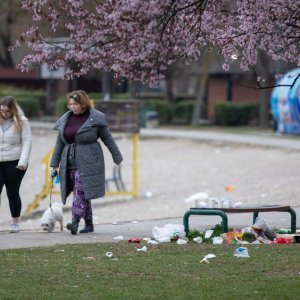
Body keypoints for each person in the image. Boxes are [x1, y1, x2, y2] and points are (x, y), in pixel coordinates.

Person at [50, 90, 123, 235]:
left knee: (79, 191)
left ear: (83, 104)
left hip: (89, 162)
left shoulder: (95, 118)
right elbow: (59, 142)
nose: (73, 107)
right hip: (69, 162)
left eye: (75, 104)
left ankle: (75, 221)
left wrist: (117, 157)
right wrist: (54, 163)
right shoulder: (66, 119)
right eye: (70, 104)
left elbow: (107, 139)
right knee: (82, 193)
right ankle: (89, 224)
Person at [0, 96, 32, 233]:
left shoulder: (22, 122)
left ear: (13, 110)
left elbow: (27, 142)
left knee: (12, 193)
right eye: (2, 111)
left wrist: (23, 161)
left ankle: (15, 223)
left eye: (7, 111)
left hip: (15, 162)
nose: (4, 114)